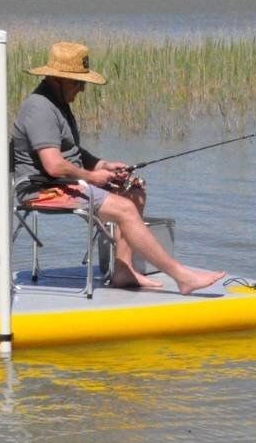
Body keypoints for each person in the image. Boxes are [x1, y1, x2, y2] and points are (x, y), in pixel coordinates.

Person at [12, 41, 225, 295]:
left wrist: (103, 165)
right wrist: (93, 177)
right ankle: (182, 277)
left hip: (65, 183)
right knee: (124, 208)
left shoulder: (58, 104)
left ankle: (123, 271)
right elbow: (54, 164)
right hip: (42, 190)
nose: (82, 89)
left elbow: (72, 152)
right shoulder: (40, 107)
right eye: (78, 82)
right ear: (58, 79)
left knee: (134, 191)